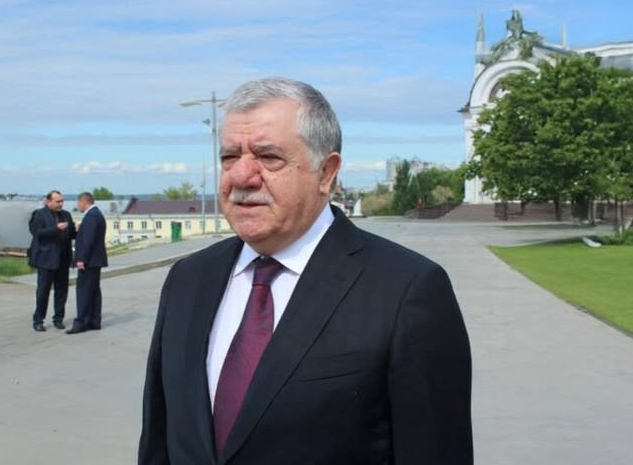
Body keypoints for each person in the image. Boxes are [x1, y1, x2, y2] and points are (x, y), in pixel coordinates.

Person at [138, 78, 472, 464]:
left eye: (268, 157)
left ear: (326, 173)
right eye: (229, 157)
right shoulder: (187, 279)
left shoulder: (407, 290)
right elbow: (159, 442)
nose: (241, 177)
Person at [28, 190, 76, 331]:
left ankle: (58, 319)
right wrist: (56, 228)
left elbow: (71, 234)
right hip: (46, 260)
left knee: (62, 291)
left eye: (62, 201)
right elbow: (37, 233)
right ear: (48, 201)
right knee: (43, 291)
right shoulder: (39, 214)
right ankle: (38, 320)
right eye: (57, 201)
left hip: (63, 259)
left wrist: (77, 230)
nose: (60, 204)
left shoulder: (66, 215)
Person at [67, 191, 108, 335]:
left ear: (84, 202)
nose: (78, 206)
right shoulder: (97, 214)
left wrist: (81, 259)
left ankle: (81, 322)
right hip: (95, 260)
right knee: (94, 291)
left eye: (78, 203)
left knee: (84, 291)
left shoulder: (91, 216)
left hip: (89, 261)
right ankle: (94, 320)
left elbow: (88, 240)